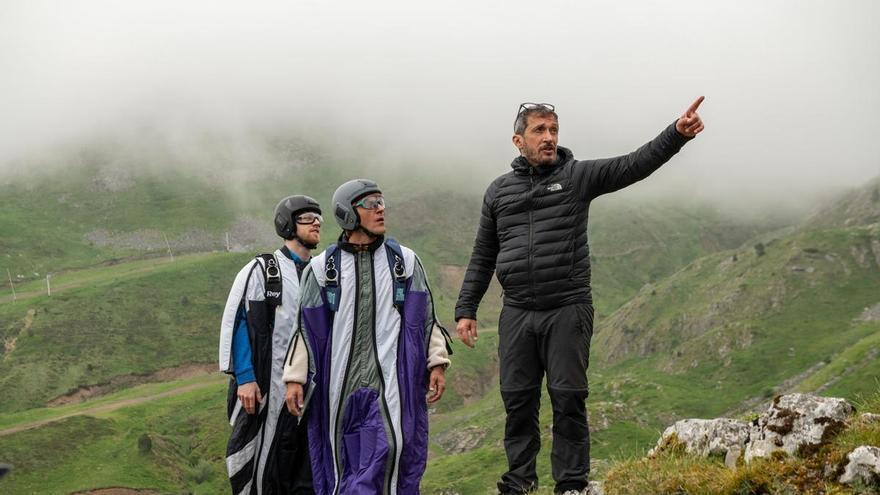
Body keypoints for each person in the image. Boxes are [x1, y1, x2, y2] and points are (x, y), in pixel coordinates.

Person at [455, 98, 706, 494]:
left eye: (553, 130)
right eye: (539, 130)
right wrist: (466, 308)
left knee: (568, 397)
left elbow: (632, 165)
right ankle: (519, 482)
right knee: (518, 401)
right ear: (518, 140)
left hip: (567, 308)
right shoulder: (498, 192)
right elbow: (484, 254)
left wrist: (675, 135)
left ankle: (571, 484)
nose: (549, 137)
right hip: (517, 311)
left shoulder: (576, 177)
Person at [282, 179, 452, 494]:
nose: (381, 209)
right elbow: (305, 329)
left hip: (392, 382)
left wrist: (437, 363)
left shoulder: (404, 262)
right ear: (348, 213)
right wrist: (294, 378)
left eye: (381, 202)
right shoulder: (322, 269)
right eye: (371, 204)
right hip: (337, 386)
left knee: (392, 452)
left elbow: (426, 318)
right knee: (340, 462)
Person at [219, 195, 323, 495]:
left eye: (319, 218)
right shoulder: (264, 270)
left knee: (308, 473)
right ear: (288, 224)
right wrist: (245, 377)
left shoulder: (322, 273)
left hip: (312, 394)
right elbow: (239, 320)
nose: (316, 223)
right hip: (268, 390)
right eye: (307, 218)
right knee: (264, 468)